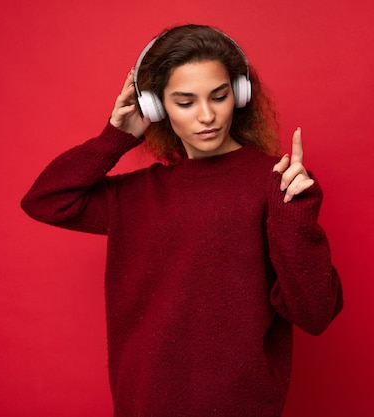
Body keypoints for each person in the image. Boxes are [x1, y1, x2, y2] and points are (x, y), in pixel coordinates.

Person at [21, 24, 343, 417]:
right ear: (156, 107)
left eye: (219, 96)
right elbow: (46, 200)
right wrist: (114, 137)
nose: (207, 116)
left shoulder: (278, 184)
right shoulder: (138, 196)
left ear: (239, 96)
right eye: (185, 102)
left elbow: (314, 313)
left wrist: (296, 216)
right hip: (144, 403)